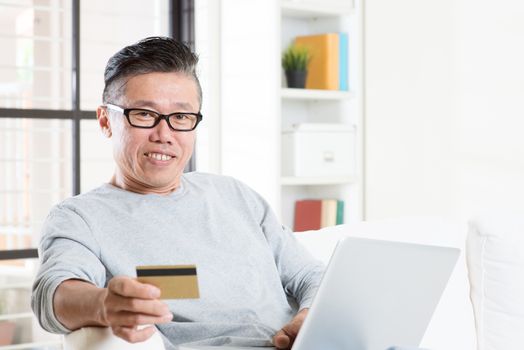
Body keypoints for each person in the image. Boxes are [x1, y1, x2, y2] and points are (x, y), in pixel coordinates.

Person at [31, 37, 324, 350]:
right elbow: (53, 295)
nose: (164, 135)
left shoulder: (236, 195)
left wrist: (307, 317)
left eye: (181, 117)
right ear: (106, 121)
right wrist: (104, 304)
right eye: (144, 114)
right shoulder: (79, 218)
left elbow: (309, 275)